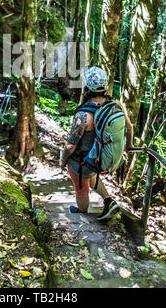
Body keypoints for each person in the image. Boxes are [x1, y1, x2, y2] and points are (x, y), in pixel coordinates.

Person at [60, 66, 133, 220]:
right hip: (99, 159)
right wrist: (129, 146)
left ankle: (82, 213)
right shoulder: (115, 104)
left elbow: (71, 145)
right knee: (91, 176)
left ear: (86, 87)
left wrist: (63, 160)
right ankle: (109, 201)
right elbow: (130, 127)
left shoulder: (83, 115)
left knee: (81, 189)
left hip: (82, 162)